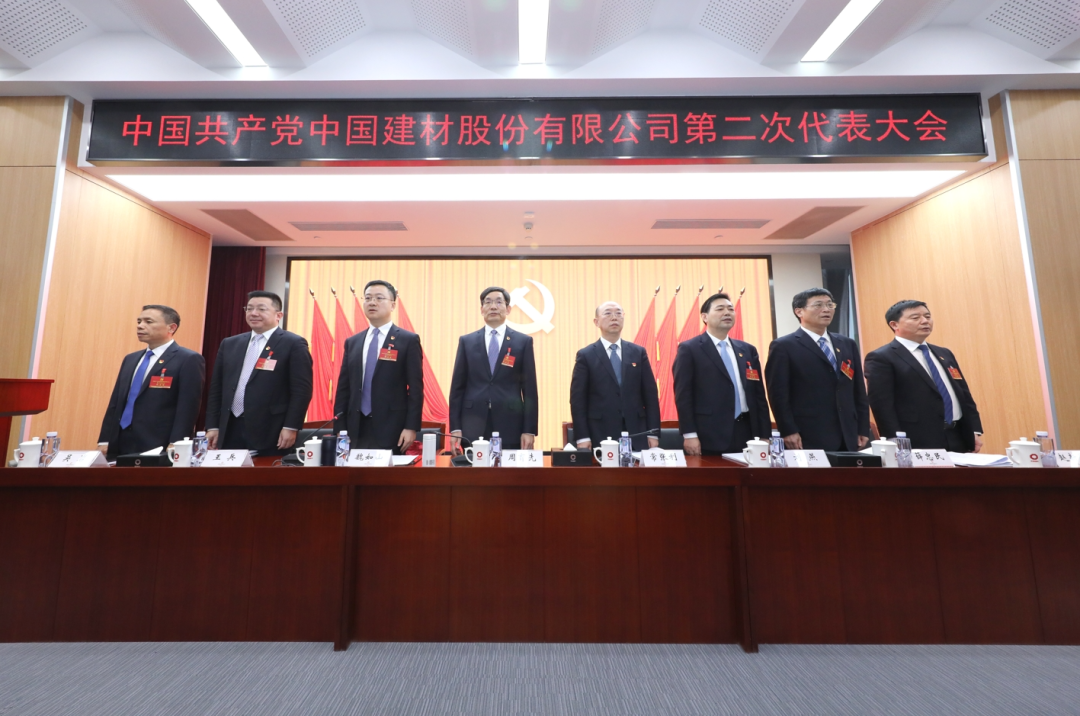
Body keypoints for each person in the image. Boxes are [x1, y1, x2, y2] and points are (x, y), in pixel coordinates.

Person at [864, 300, 983, 453]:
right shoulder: (882, 357)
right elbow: (882, 406)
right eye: (915, 318)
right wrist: (896, 443)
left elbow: (963, 394)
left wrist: (974, 430)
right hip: (918, 440)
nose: (925, 321)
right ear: (894, 325)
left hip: (958, 434)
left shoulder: (944, 353)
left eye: (927, 316)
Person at [204, 291, 313, 454]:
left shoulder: (293, 343)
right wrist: (213, 426)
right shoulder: (230, 344)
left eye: (261, 309)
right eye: (249, 308)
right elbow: (216, 389)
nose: (253, 313)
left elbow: (301, 391)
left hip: (270, 429)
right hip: (230, 427)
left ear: (279, 315)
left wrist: (291, 426)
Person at [764, 288, 870, 452]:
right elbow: (778, 394)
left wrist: (863, 428)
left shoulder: (846, 343)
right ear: (799, 311)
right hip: (808, 433)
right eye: (818, 305)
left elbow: (858, 389)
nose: (826, 309)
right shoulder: (784, 346)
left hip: (849, 432)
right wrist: (788, 430)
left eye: (830, 305)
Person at [98, 305, 204, 460]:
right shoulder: (131, 359)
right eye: (139, 321)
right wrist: (105, 439)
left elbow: (188, 407)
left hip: (159, 443)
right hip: (120, 441)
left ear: (171, 328)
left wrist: (177, 441)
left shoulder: (187, 359)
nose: (140, 326)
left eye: (148, 322)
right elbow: (116, 402)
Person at [673, 292, 770, 456]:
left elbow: (758, 395)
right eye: (720, 309)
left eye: (730, 309)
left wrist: (765, 434)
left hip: (748, 432)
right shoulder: (690, 349)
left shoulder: (747, 350)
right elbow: (683, 395)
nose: (727, 313)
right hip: (710, 433)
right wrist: (689, 434)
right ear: (704, 317)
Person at [334, 280, 424, 453]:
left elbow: (416, 388)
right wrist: (340, 427)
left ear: (393, 305)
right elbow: (344, 388)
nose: (372, 302)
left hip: (392, 428)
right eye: (368, 298)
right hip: (355, 428)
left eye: (379, 298)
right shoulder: (353, 342)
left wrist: (411, 427)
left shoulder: (407, 340)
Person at [449, 286, 538, 452]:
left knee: (509, 468)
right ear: (481, 309)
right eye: (488, 302)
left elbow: (530, 390)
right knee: (473, 468)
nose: (493, 307)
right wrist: (455, 427)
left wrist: (529, 430)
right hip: (472, 424)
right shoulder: (467, 342)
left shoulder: (523, 342)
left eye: (499, 302)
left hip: (510, 423)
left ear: (508, 309)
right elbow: (457, 388)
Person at [569, 301, 661, 451]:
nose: (614, 317)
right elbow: (578, 400)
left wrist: (653, 433)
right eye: (608, 313)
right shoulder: (586, 355)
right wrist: (583, 437)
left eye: (618, 313)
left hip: (637, 432)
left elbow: (650, 395)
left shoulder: (638, 352)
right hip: (599, 431)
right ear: (596, 322)